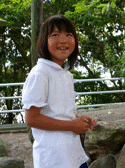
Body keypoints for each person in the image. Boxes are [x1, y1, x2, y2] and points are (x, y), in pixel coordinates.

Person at [22, 15, 97, 168]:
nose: (63, 40)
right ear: (44, 40)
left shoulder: (65, 74)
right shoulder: (40, 73)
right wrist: (71, 126)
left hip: (73, 154)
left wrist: (80, 120)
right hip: (53, 158)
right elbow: (32, 119)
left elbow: (59, 112)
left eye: (68, 35)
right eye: (55, 35)